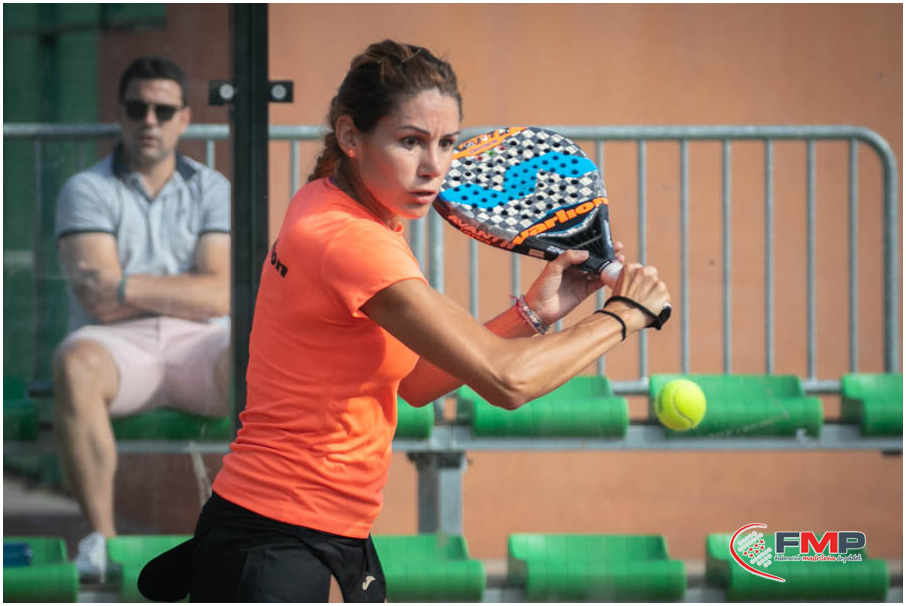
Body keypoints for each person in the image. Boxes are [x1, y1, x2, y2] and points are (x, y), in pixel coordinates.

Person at [139, 40, 670, 602]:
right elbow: (508, 381)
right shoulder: (351, 242)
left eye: (447, 143)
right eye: (410, 141)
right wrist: (622, 316)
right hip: (278, 540)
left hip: (312, 531)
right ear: (351, 137)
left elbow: (414, 382)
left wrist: (532, 315)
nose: (435, 167)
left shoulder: (330, 203)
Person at [52, 56, 232, 582]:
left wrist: (125, 284)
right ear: (121, 113)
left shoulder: (212, 187)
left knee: (255, 357)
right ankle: (101, 542)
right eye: (137, 108)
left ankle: (258, 533)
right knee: (74, 364)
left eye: (163, 110)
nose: (149, 120)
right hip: (116, 345)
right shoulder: (86, 189)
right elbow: (98, 303)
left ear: (184, 118)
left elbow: (220, 296)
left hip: (199, 345)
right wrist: (187, 290)